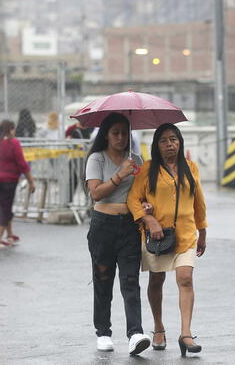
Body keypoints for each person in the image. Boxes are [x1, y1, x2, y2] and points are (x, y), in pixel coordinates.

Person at [128, 123, 207, 357]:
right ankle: (159, 327)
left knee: (185, 278)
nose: (170, 144)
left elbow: (198, 202)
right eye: (163, 140)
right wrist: (148, 219)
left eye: (173, 139)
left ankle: (186, 333)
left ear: (180, 142)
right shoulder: (147, 170)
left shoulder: (190, 168)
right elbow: (133, 199)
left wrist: (202, 231)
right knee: (156, 280)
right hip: (157, 236)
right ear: (157, 146)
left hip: (185, 233)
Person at [84, 112, 150, 355]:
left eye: (125, 132)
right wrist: (120, 174)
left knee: (131, 281)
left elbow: (143, 194)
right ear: (107, 135)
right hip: (103, 225)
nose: (121, 137)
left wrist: (146, 206)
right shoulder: (97, 159)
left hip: (130, 226)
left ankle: (135, 333)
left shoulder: (137, 160)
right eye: (116, 133)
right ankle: (103, 332)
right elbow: (97, 193)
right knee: (103, 279)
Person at [0, 120, 36, 248]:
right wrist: (31, 181)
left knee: (4, 206)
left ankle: (9, 234)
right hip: (9, 180)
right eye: (14, 129)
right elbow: (22, 164)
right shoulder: (13, 143)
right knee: (4, 208)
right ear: (11, 129)